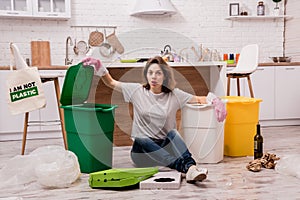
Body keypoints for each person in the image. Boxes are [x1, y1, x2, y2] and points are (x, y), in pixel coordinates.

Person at [82, 56, 226, 183]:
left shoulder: (174, 95)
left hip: (164, 148)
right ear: (146, 75)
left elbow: (199, 99)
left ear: (165, 76)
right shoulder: (137, 91)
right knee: (140, 138)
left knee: (173, 134)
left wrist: (216, 100)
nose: (154, 77)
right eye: (150, 73)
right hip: (141, 152)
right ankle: (187, 168)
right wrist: (100, 67)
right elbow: (111, 83)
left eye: (158, 73)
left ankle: (190, 167)